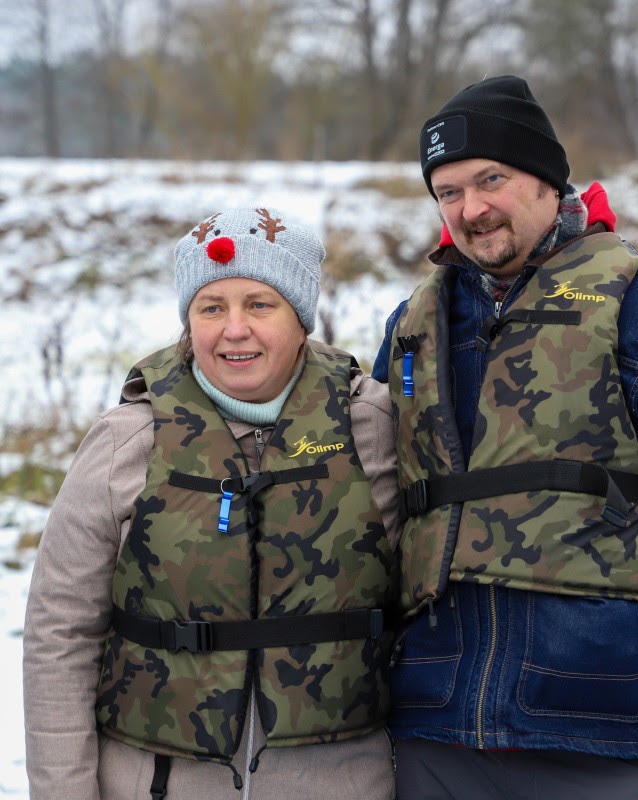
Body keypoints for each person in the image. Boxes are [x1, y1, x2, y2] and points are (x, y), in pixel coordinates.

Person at [371, 75, 638, 800]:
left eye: (491, 179)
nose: (471, 209)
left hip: (605, 745)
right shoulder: (414, 327)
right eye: (448, 192)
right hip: (431, 739)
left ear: (545, 175)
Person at [24, 207, 400, 800]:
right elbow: (60, 632)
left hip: (343, 782)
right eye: (211, 308)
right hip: (154, 783)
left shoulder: (373, 426)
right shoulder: (127, 439)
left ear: (301, 317)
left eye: (260, 304)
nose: (234, 329)